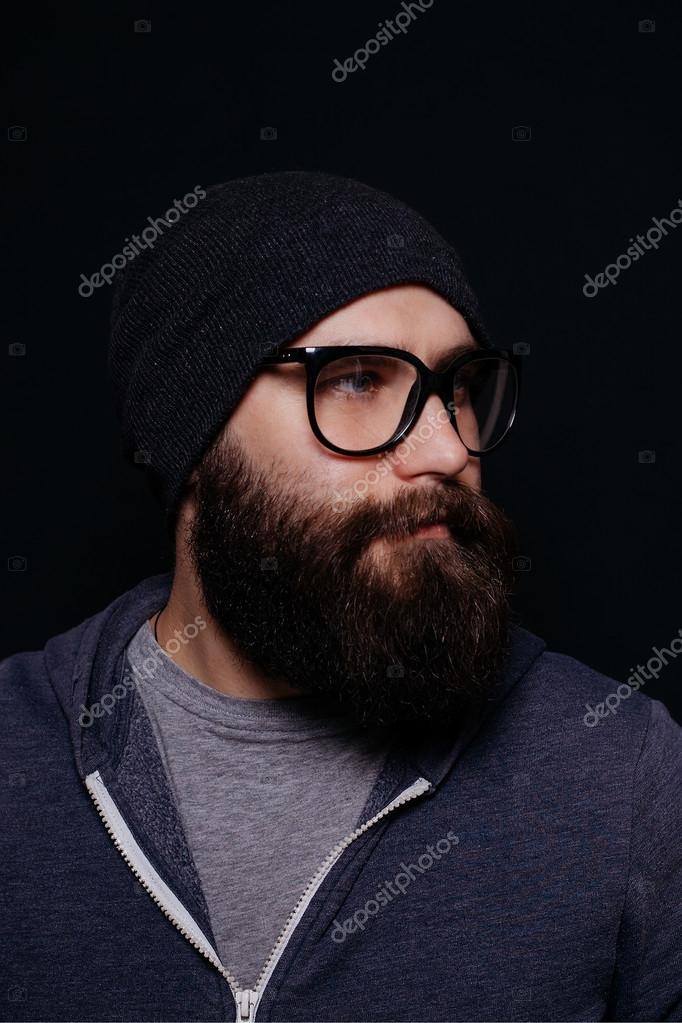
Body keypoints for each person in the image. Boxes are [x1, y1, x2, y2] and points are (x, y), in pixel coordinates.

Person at [2, 171, 681, 1023]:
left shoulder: (619, 776)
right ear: (193, 443)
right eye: (358, 380)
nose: (446, 449)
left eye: (458, 388)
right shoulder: (14, 763)